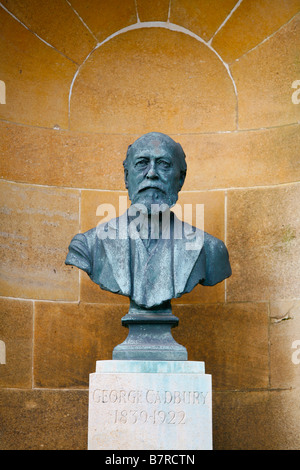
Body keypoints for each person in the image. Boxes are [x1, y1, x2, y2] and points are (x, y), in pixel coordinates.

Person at [65, 132, 231, 309]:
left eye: (164, 164)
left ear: (181, 179)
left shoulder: (210, 250)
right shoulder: (88, 246)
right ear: (126, 177)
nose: (151, 173)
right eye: (142, 163)